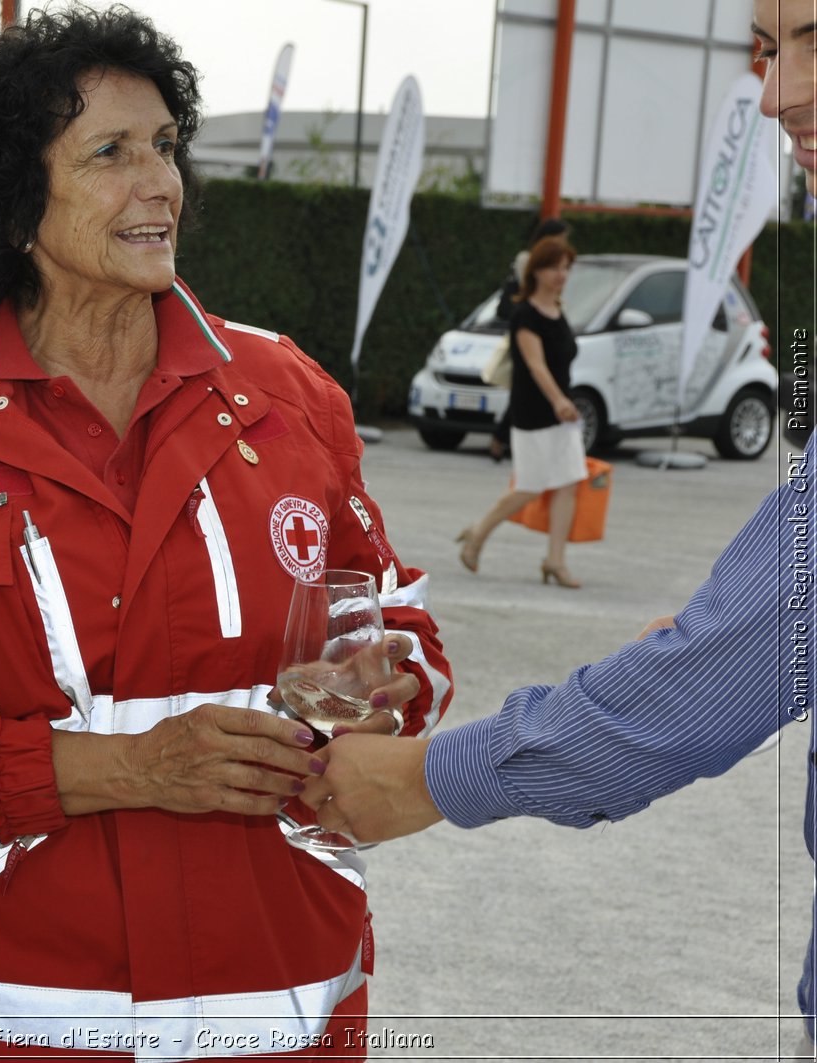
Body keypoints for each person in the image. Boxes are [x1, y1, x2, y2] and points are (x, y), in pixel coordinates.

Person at [0, 8, 452, 1058]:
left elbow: (396, 614)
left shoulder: (289, 395)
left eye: (165, 147)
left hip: (278, 993)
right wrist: (131, 768)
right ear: (11, 203)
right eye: (110, 154)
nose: (161, 183)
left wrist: (387, 678)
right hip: (1, 1010)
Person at [301, 3, 816, 1037]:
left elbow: (729, 669)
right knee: (546, 492)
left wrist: (423, 777)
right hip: (542, 418)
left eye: (813, 38)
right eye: (766, 49)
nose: (774, 93)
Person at [456, 235, 587, 587]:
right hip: (534, 412)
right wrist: (558, 401)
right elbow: (535, 366)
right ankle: (478, 534)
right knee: (529, 487)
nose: (561, 274)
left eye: (565, 268)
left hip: (564, 414)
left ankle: (555, 561)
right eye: (554, 267)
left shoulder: (558, 311)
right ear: (537, 271)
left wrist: (565, 403)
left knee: (569, 483)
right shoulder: (525, 314)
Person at [488, 218, 571, 462]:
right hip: (530, 333)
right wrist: (560, 402)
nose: (561, 274)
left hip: (553, 414)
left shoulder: (555, 306)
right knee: (525, 382)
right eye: (560, 238)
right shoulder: (530, 265)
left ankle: (500, 437)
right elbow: (524, 297)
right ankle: (500, 437)